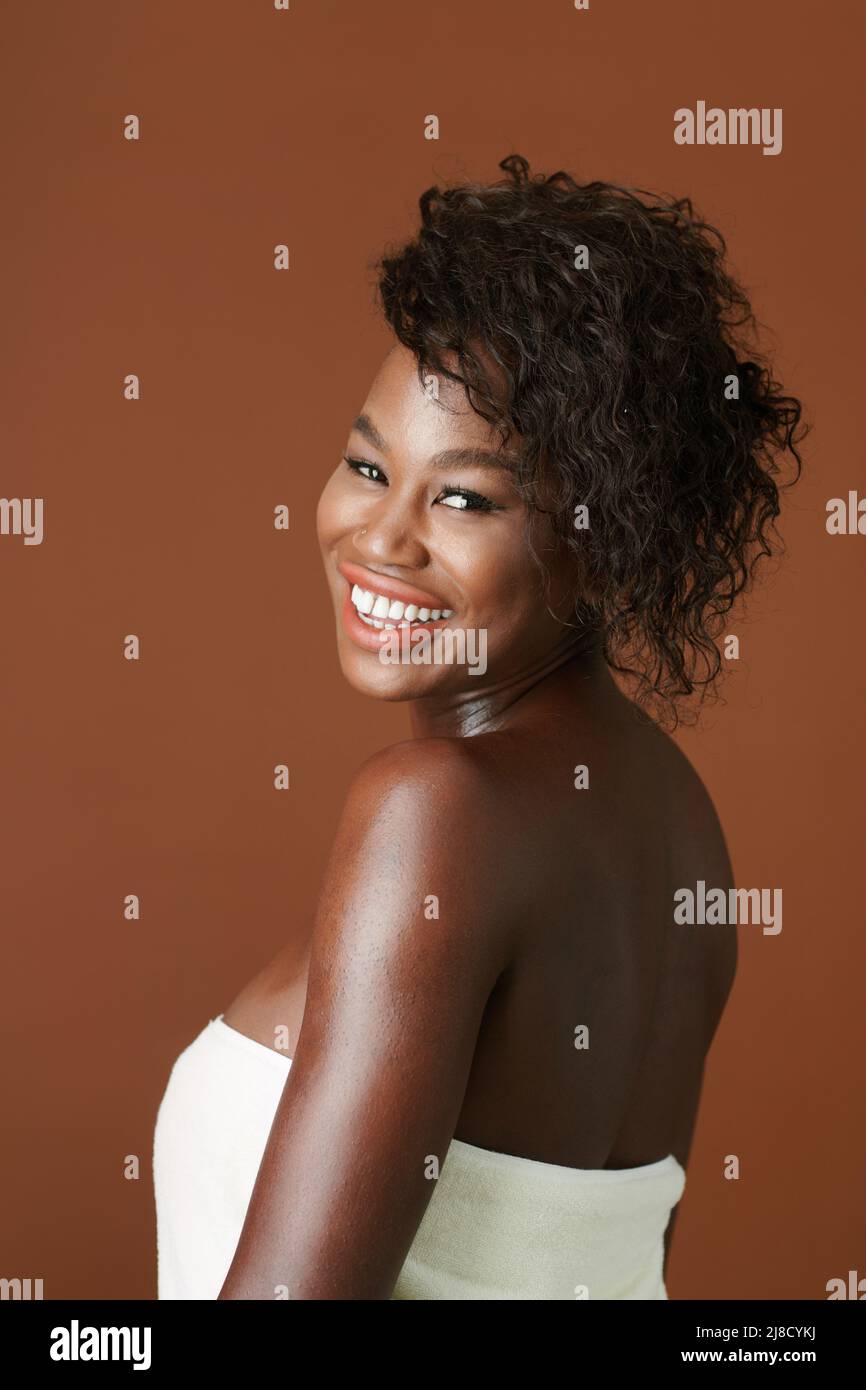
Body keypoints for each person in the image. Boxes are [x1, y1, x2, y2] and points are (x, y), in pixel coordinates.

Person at [153, 154, 805, 1300]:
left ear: (608, 536)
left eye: (464, 498)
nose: (379, 539)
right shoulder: (674, 820)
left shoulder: (431, 807)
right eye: (367, 464)